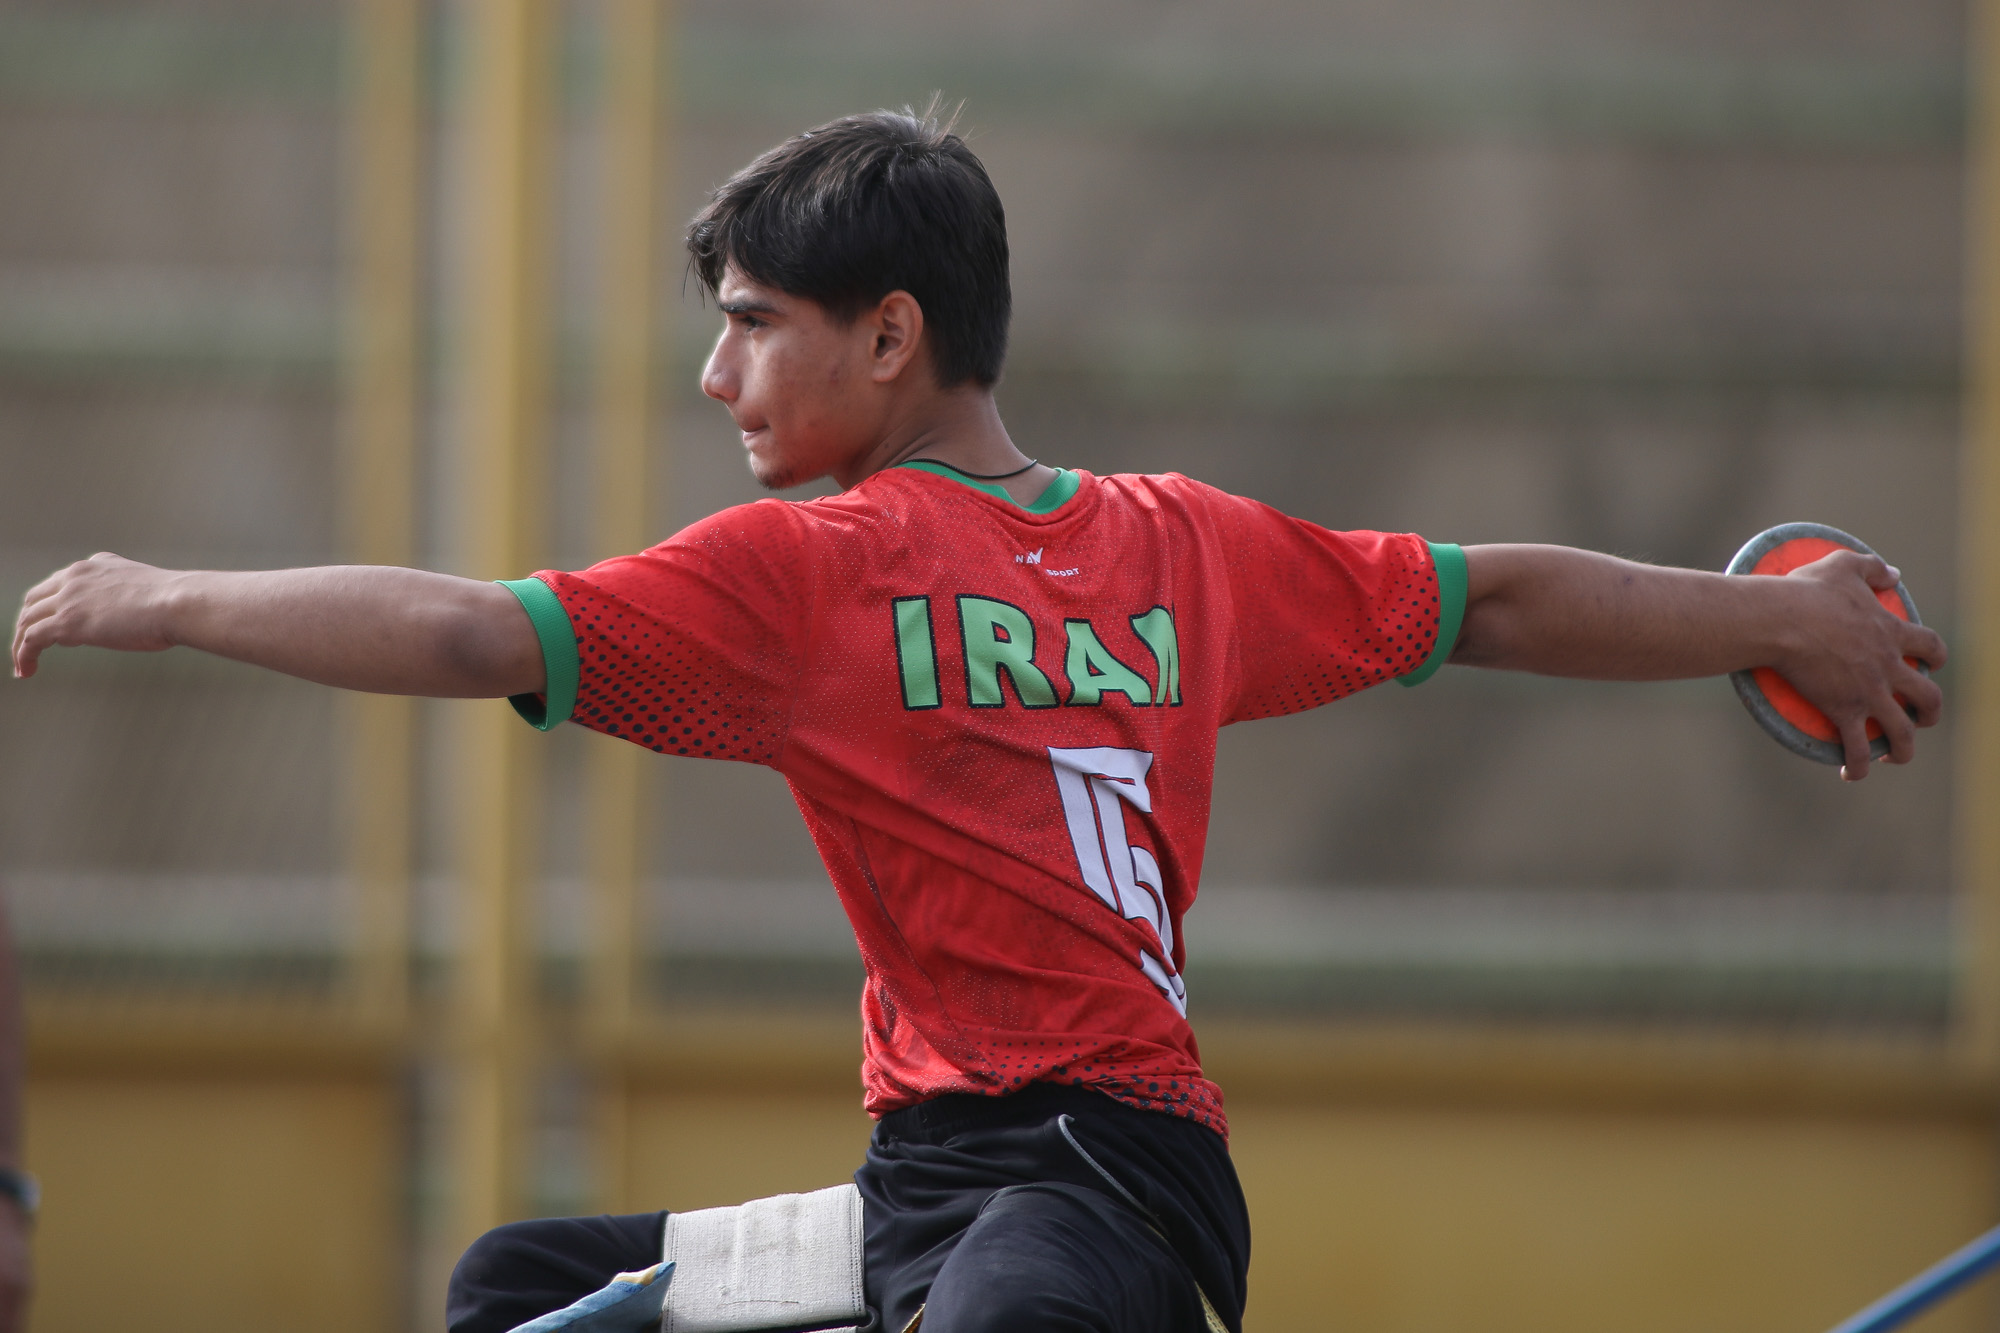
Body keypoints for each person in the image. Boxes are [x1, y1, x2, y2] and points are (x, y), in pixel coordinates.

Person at [9, 108, 1944, 1333]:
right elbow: (1502, 596)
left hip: (1106, 1178)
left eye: (752, 320)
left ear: (889, 332)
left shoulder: (847, 572)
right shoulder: (1161, 544)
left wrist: (169, 599)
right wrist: (1772, 619)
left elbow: (454, 631)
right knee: (519, 1287)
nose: (714, 371)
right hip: (914, 1195)